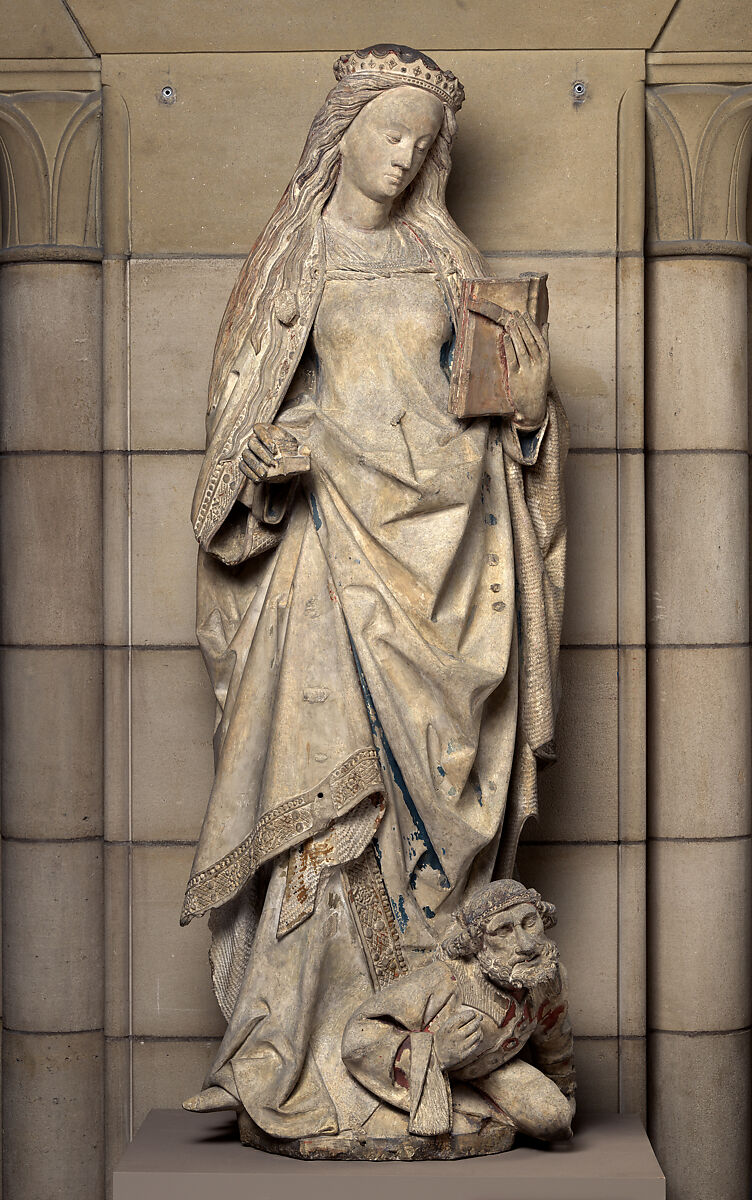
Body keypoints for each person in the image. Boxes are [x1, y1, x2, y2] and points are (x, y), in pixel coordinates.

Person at [181, 45, 568, 1153]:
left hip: (445, 564)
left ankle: (431, 1044)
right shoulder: (293, 259)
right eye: (388, 132)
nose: (403, 155)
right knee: (325, 807)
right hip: (325, 565)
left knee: (435, 812)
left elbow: (490, 421)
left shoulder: (448, 259)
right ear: (341, 132)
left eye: (420, 141)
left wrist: (531, 413)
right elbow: (234, 437)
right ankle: (292, 1049)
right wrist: (265, 462)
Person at [342, 878, 575, 1147]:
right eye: (503, 931)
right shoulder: (446, 980)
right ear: (478, 943)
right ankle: (461, 1111)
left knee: (556, 1120)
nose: (525, 945)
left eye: (529, 922)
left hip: (492, 1070)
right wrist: (437, 1052)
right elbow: (358, 1038)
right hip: (431, 1071)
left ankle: (468, 1110)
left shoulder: (546, 975)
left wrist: (565, 1088)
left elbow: (554, 1040)